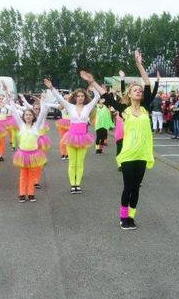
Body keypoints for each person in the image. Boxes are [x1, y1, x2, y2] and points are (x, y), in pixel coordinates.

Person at [93, 50, 159, 230]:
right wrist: (92, 82)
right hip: (129, 153)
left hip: (143, 154)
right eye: (134, 90)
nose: (138, 91)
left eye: (139, 90)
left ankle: (131, 217)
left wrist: (139, 64)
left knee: (137, 188)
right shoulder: (124, 109)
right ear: (129, 94)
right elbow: (106, 97)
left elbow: (147, 83)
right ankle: (123, 218)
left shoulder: (146, 108)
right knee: (128, 187)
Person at [44, 73, 101, 194]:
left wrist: (92, 83)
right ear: (74, 98)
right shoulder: (69, 106)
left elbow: (97, 96)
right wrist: (51, 88)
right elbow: (60, 98)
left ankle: (77, 184)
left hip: (83, 138)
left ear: (84, 97)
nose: (80, 98)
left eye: (82, 96)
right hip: (71, 137)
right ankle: (72, 184)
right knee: (72, 162)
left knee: (80, 162)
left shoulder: (88, 107)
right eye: (78, 96)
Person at [6, 91, 50, 203]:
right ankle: (22, 194)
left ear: (33, 117)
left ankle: (31, 194)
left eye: (30, 115)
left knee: (32, 174)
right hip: (22, 154)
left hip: (34, 154)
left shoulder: (37, 126)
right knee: (23, 174)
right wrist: (9, 95)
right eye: (26, 115)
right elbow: (14, 111)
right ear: (24, 116)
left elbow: (43, 111)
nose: (28, 116)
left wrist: (43, 100)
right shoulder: (21, 125)